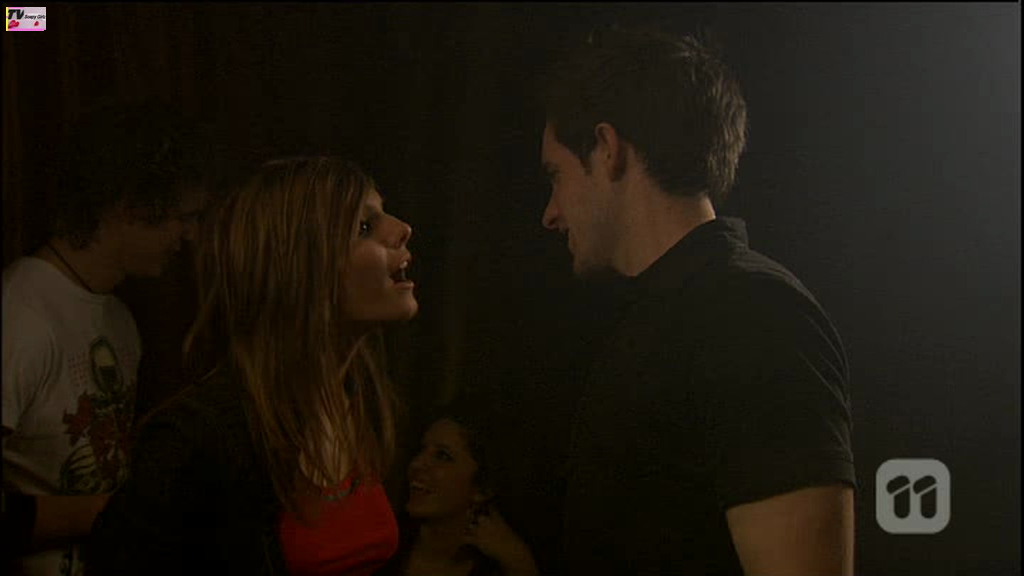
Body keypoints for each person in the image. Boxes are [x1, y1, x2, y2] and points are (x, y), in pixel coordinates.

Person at [536, 26, 856, 575]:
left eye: (556, 176)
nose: (550, 213)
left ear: (608, 149)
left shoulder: (753, 315)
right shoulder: (660, 319)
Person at [86, 156, 418, 575]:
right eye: (364, 227)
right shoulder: (198, 438)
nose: (403, 228)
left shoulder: (364, 405)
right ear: (300, 269)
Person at [2, 100, 208, 576]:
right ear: (129, 206)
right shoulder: (20, 314)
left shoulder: (118, 318)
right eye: (183, 216)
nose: (191, 236)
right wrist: (120, 511)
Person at [377, 403, 539, 576]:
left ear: (482, 489)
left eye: (442, 456)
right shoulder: (380, 546)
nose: (416, 464)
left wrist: (520, 563)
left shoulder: (497, 568)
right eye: (421, 450)